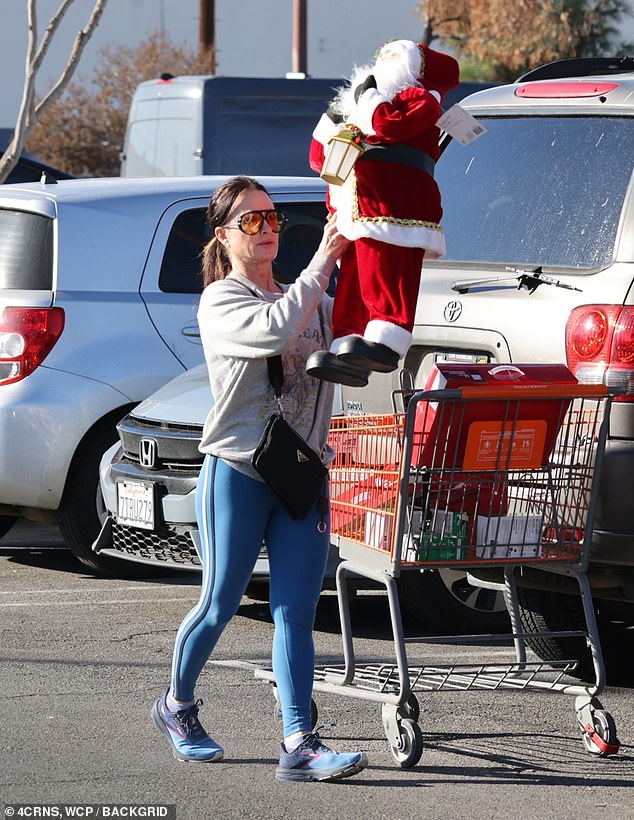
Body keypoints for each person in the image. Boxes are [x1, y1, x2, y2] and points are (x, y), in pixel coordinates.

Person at [151, 175, 369, 783]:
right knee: (220, 602)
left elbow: (349, 341)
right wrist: (325, 258)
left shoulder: (313, 299)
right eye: (251, 221)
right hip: (240, 469)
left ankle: (300, 743)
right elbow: (275, 328)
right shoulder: (222, 299)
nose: (268, 228)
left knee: (296, 610)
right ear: (223, 236)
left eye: (274, 219)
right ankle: (176, 707)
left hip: (302, 472)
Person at [306, 40, 460, 385]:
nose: (383, 63)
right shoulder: (359, 106)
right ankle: (347, 345)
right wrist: (336, 119)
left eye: (395, 57)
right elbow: (318, 157)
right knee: (354, 280)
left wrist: (367, 97)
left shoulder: (421, 99)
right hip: (356, 207)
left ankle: (388, 339)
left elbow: (390, 126)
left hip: (395, 207)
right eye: (383, 55)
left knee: (386, 272)